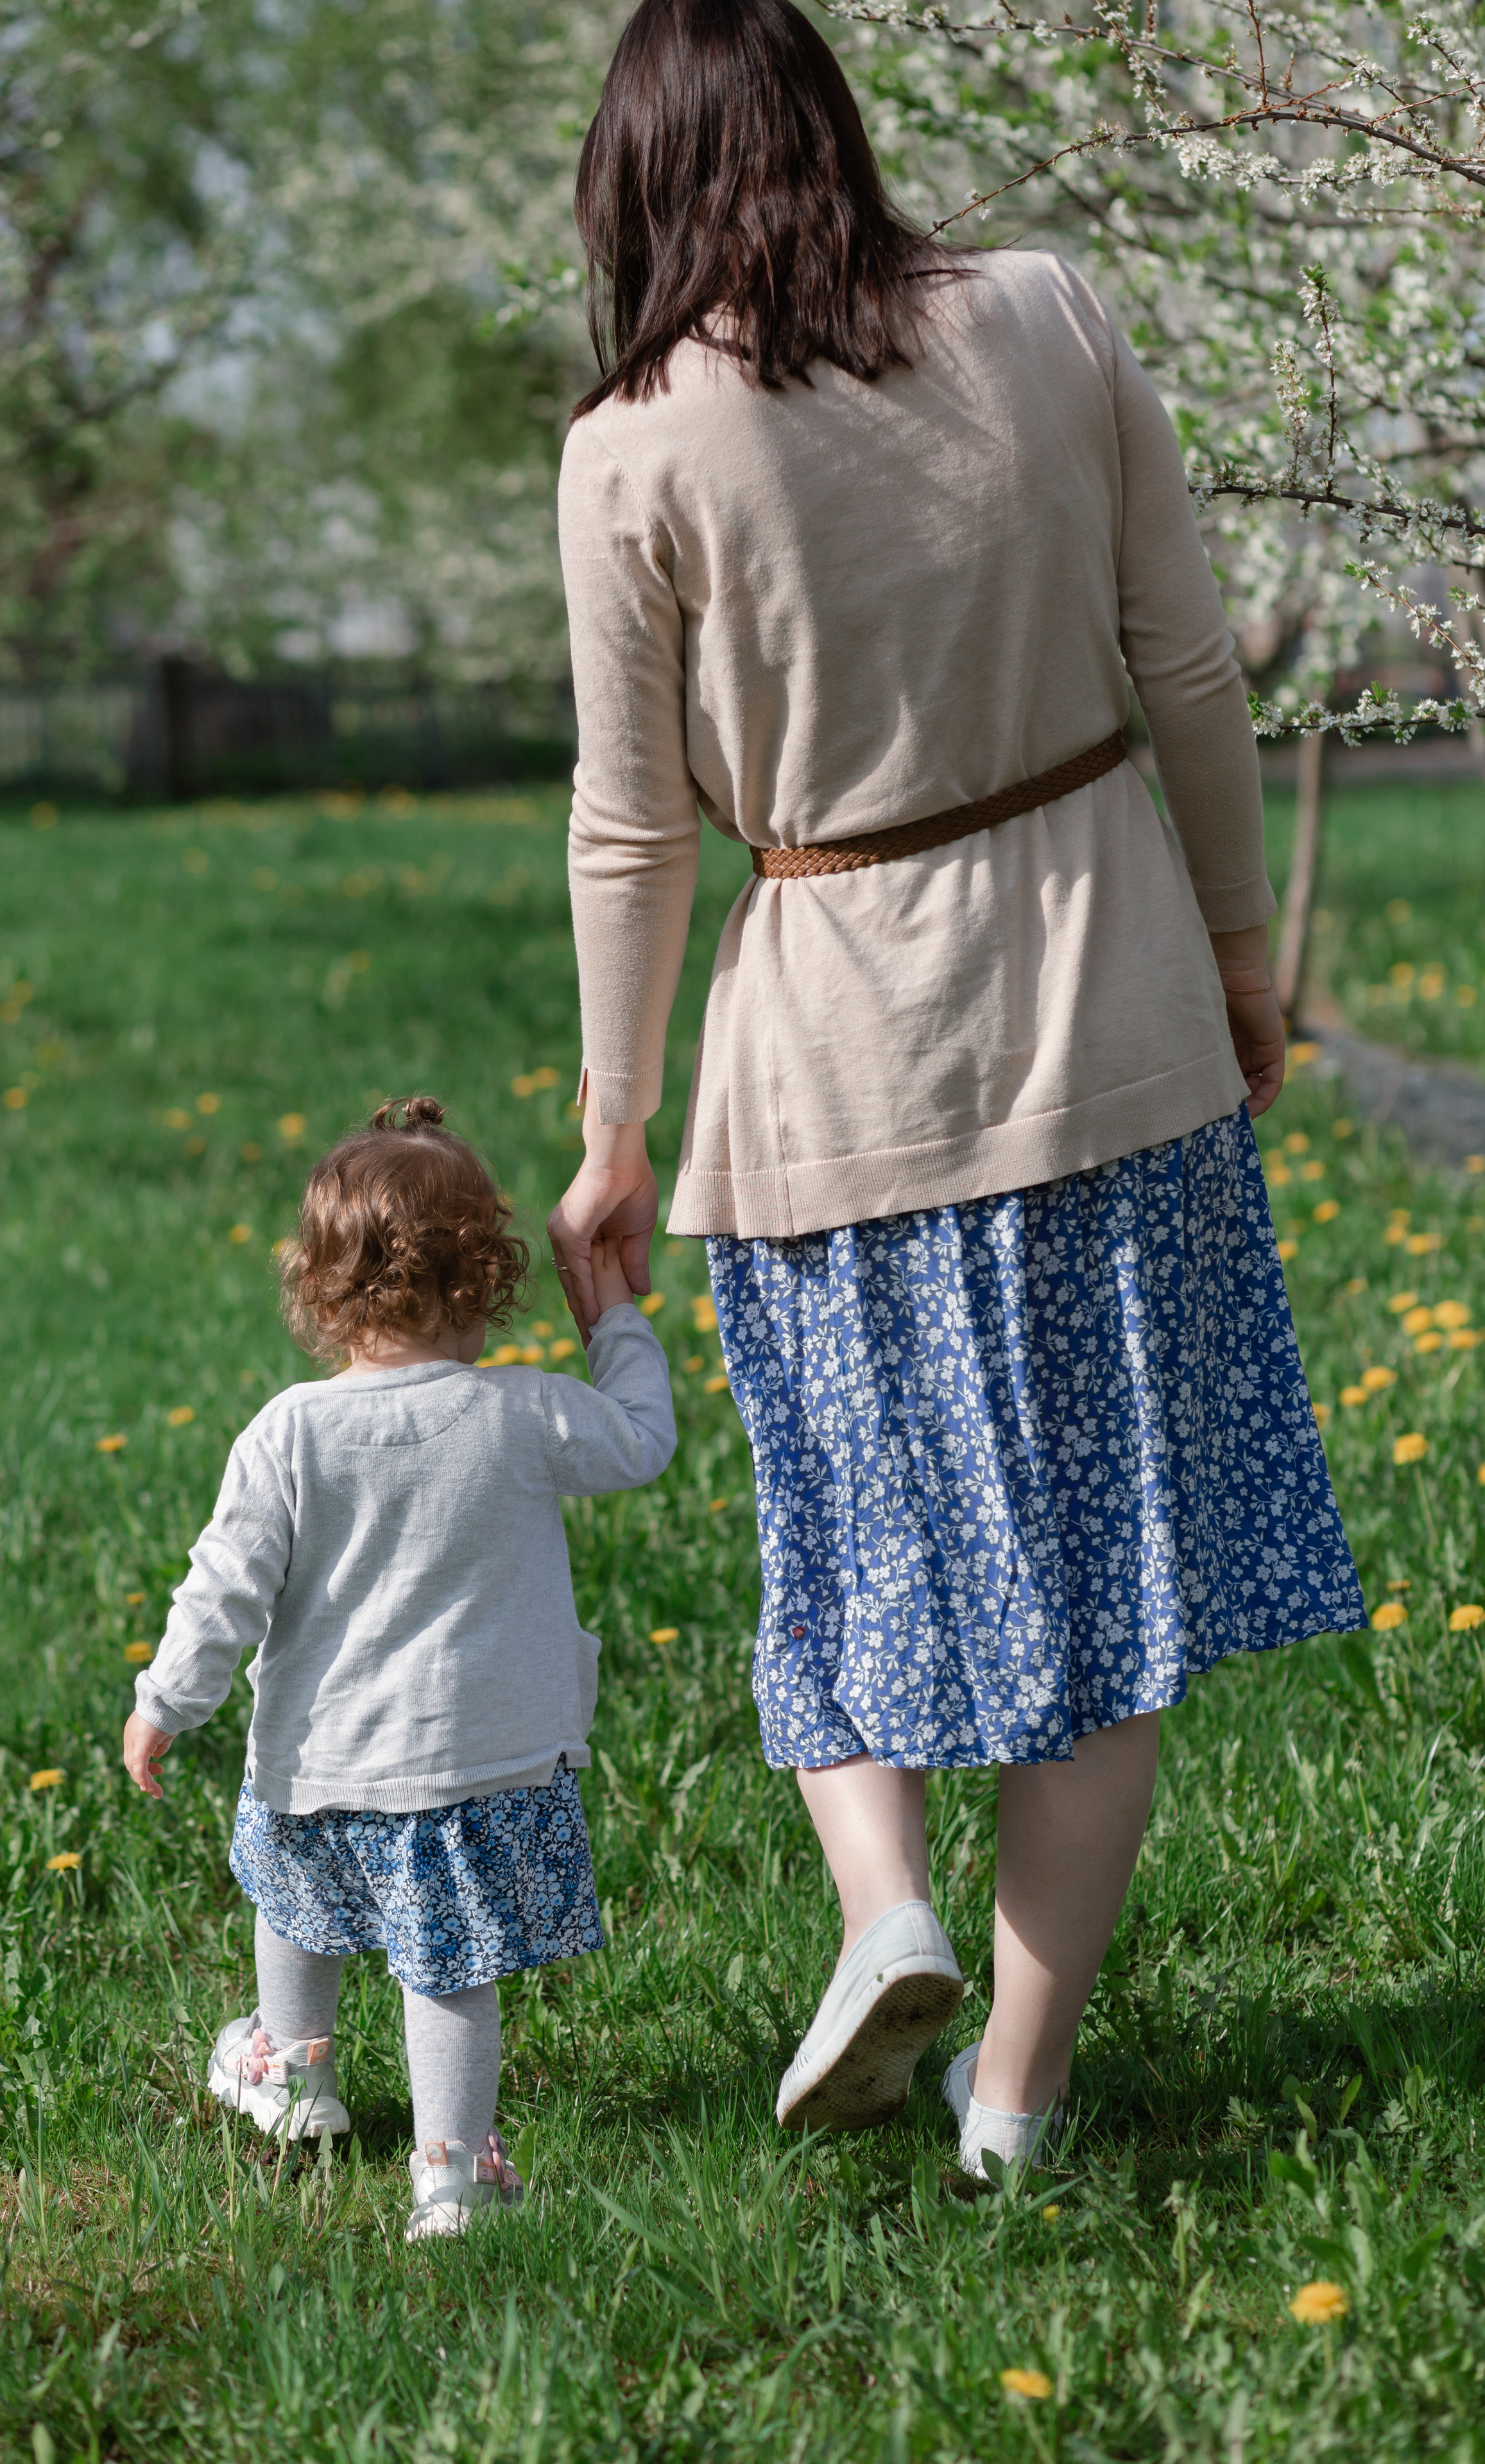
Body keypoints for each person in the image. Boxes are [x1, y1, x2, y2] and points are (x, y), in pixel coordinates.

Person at [547, 0, 1365, 2177]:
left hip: (828, 1067)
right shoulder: (1047, 312)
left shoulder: (634, 443)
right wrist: (1237, 953)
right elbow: (1183, 659)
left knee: (849, 1556)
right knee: (1116, 1591)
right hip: (1112, 1026)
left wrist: (620, 1122)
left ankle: (883, 1905)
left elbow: (630, 828)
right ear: (833, 122)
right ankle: (1016, 2100)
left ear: (629, 178)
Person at [123, 1098, 674, 2237]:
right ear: (484, 1280)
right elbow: (645, 1438)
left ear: (323, 1290)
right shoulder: (521, 1412)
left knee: (298, 1905)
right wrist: (610, 1308)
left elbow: (223, 1584)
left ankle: (294, 2072)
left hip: (320, 1764)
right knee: (449, 1970)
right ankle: (453, 2171)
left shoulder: (289, 1432)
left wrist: (165, 1700)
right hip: (481, 1772)